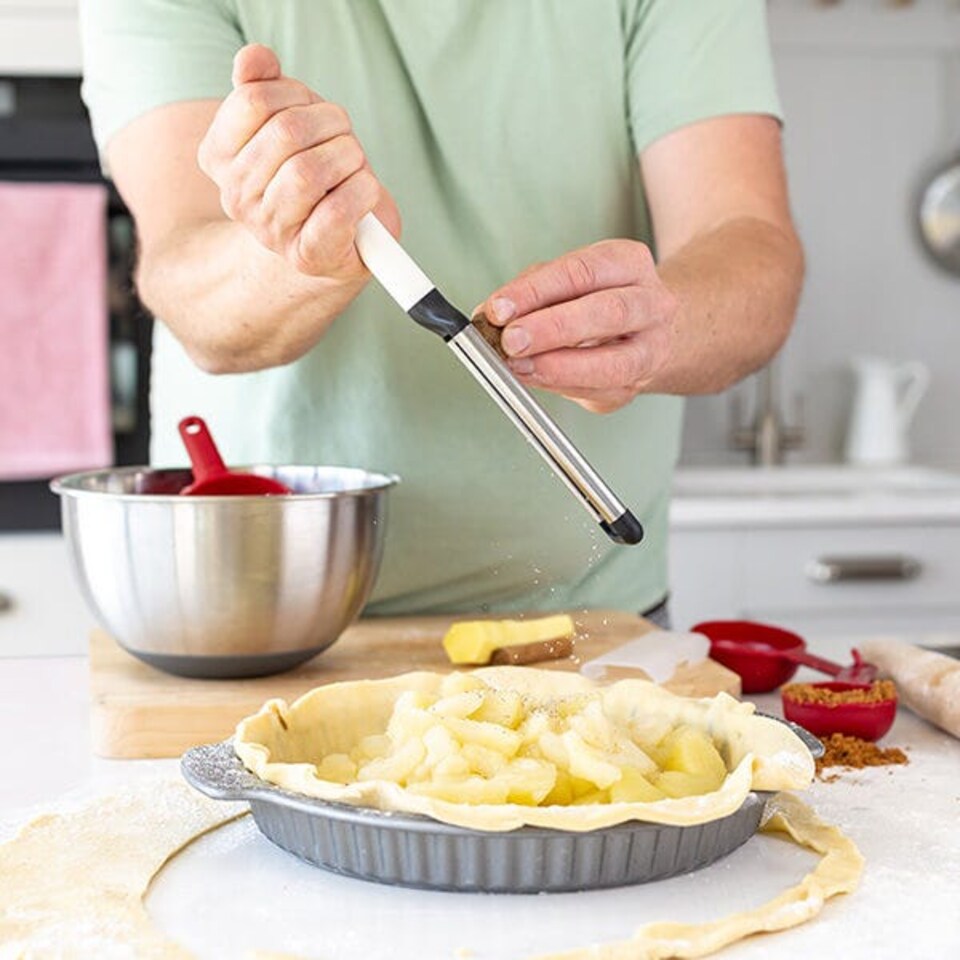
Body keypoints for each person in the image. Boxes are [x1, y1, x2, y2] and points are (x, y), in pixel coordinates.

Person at [79, 1, 803, 621]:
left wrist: (662, 324)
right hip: (253, 627)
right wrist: (302, 254)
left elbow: (753, 251)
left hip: (593, 623)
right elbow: (190, 287)